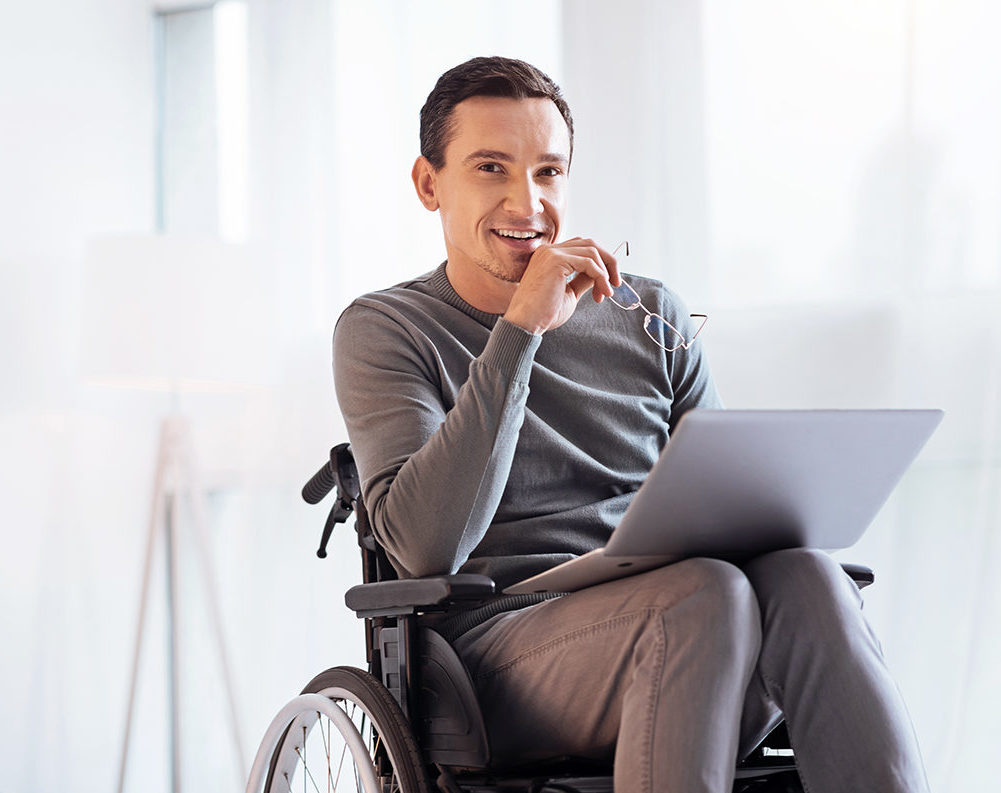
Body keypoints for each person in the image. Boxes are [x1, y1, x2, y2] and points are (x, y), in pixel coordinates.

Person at [333, 56, 930, 793]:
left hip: (699, 628)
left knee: (806, 575)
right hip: (501, 658)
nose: (527, 201)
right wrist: (520, 330)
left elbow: (726, 505)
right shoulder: (387, 329)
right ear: (429, 183)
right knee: (702, 595)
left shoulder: (648, 315)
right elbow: (426, 545)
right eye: (491, 167)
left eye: (547, 172)